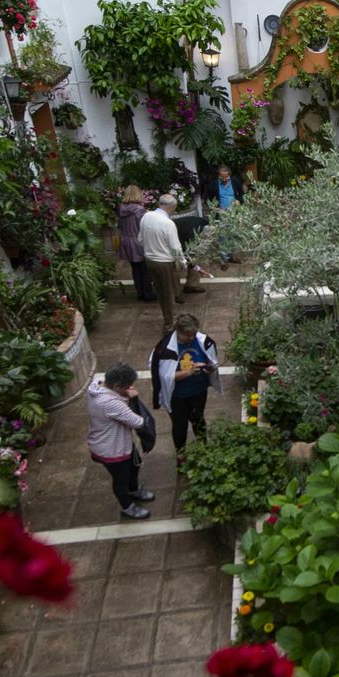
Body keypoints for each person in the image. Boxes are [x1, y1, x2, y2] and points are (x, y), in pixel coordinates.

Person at [85, 363, 157, 520]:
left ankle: (134, 490)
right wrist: (132, 399)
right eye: (127, 386)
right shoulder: (109, 403)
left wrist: (125, 396)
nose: (130, 388)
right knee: (120, 480)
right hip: (112, 450)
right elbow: (138, 422)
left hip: (119, 443)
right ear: (116, 386)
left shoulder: (95, 385)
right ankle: (127, 506)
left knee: (134, 465)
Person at [151, 312, 221, 456]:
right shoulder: (164, 349)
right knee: (179, 426)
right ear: (178, 331)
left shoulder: (203, 341)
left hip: (199, 391)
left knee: (199, 421)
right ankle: (181, 454)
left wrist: (209, 367)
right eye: (187, 336)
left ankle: (204, 450)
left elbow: (211, 359)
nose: (191, 338)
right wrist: (189, 372)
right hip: (177, 396)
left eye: (193, 335)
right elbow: (164, 376)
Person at [139, 193, 187, 332]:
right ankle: (169, 324)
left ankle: (169, 318)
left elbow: (140, 239)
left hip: (150, 260)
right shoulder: (168, 223)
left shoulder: (146, 216)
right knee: (168, 293)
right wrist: (182, 262)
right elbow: (175, 248)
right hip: (164, 263)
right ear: (171, 208)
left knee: (160, 292)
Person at [117, 186, 157, 302]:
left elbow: (119, 226)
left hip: (126, 241)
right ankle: (148, 293)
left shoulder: (121, 209)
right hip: (138, 241)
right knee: (145, 268)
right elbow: (144, 226)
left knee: (135, 268)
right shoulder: (139, 210)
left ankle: (140, 293)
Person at [202, 164, 247, 265]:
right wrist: (216, 208)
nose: (225, 179)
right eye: (222, 177)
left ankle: (232, 256)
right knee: (223, 237)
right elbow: (207, 200)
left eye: (227, 177)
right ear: (218, 175)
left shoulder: (235, 181)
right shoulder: (212, 184)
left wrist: (238, 201)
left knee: (234, 235)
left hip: (234, 214)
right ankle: (224, 259)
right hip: (221, 215)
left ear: (229, 174)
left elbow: (242, 195)